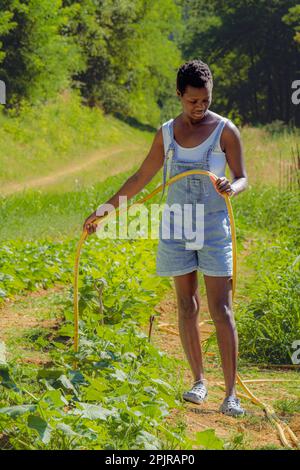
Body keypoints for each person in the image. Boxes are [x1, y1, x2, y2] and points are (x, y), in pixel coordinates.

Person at [83, 59, 248, 417]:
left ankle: (231, 393)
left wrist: (230, 187)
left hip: (213, 227)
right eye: (192, 101)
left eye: (205, 99)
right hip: (176, 227)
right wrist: (103, 211)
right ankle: (199, 381)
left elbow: (242, 177)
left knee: (222, 308)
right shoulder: (167, 134)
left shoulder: (225, 130)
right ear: (179, 95)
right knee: (187, 305)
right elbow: (141, 177)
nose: (200, 107)